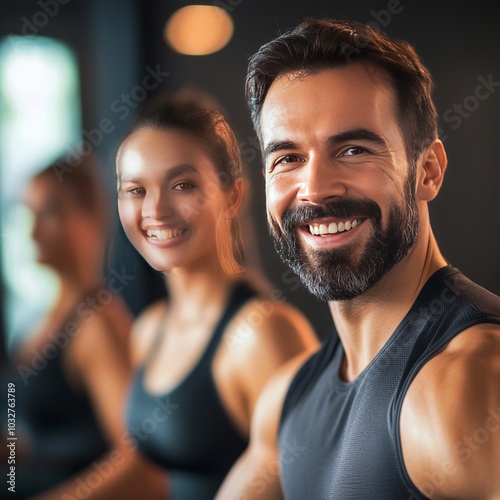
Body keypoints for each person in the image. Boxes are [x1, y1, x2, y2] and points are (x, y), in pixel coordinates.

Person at [216, 18, 500, 500]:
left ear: (427, 171)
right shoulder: (287, 400)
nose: (316, 189)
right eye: (287, 158)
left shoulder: (469, 386)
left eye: (352, 149)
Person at [116, 89, 319, 499]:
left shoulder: (262, 333)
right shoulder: (150, 328)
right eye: (136, 190)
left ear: (233, 195)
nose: (155, 210)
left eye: (182, 184)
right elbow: (144, 470)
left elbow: (315, 482)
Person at [4, 157, 166, 499]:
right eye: (28, 214)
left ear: (89, 218)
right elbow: (58, 435)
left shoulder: (94, 325)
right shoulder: (43, 317)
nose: (33, 230)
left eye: (48, 213)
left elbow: (141, 465)